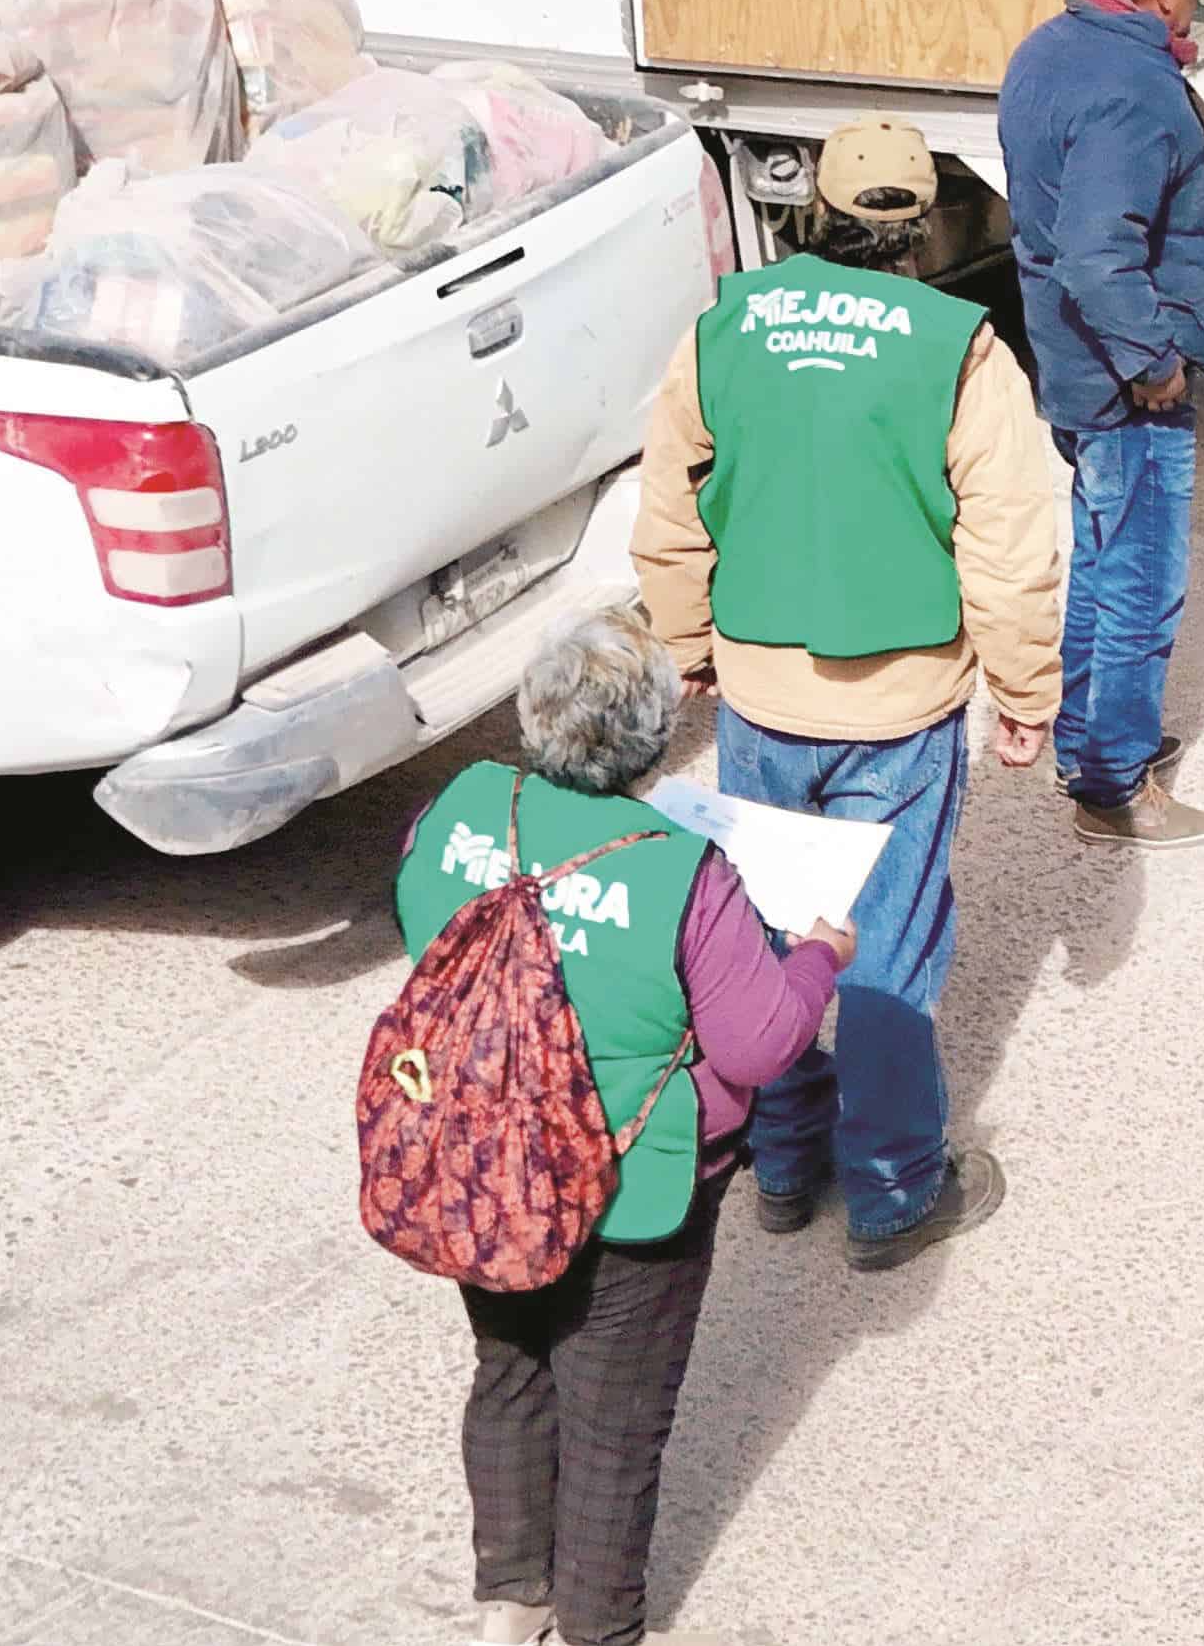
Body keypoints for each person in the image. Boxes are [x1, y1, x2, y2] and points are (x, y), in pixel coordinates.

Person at [630, 120, 1059, 1268]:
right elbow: (1009, 545)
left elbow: (669, 509)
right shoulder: (959, 349)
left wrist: (686, 645)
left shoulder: (724, 329)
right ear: (919, 223)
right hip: (900, 701)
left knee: (767, 929)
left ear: (809, 206)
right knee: (887, 946)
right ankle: (890, 1188)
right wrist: (1025, 687)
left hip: (761, 690)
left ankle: (779, 1159)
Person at [399, 614, 849, 1646]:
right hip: (632, 1190)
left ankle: (511, 1602)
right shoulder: (679, 870)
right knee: (612, 1430)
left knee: (509, 1369)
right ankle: (601, 1630)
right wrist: (819, 953)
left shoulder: (460, 806)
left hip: (482, 1163)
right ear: (650, 742)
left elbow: (416, 920)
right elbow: (761, 1044)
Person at [999, 0, 1204, 851]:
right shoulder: (1133, 91)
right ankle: (1115, 785)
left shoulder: (1050, 48)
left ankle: (1088, 738)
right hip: (1123, 381)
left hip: (1071, 363)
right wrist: (1154, 362)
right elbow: (1099, 255)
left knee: (1104, 562)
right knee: (1141, 579)